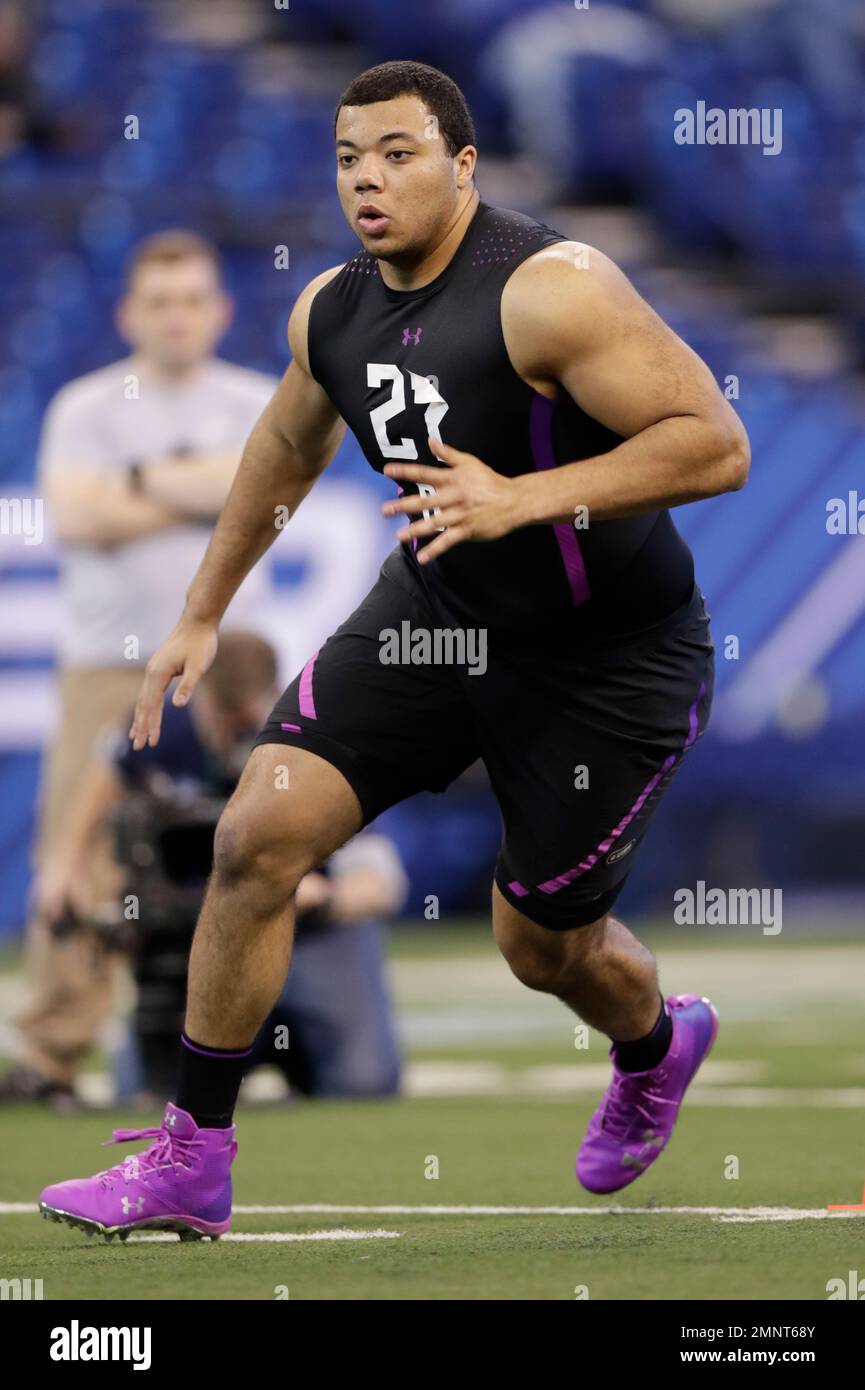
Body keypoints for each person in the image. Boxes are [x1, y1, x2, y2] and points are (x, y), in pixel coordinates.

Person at [38, 60, 750, 1240]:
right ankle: (189, 1158)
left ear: (463, 166)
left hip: (606, 661)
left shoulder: (550, 289)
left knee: (542, 946)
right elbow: (283, 442)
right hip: (433, 615)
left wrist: (528, 498)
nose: (367, 181)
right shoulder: (330, 307)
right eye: (347, 160)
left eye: (399, 155)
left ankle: (658, 1042)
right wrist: (202, 611)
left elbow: (713, 443)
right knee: (255, 833)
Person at [4, 230, 275, 1107]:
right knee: (77, 860)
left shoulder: (256, 399)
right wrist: (196, 487)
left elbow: (258, 495)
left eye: (192, 299)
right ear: (128, 313)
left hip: (223, 664)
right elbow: (79, 519)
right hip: (107, 665)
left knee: (251, 849)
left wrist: (136, 484)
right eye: (159, 301)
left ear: (220, 311)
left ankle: (246, 1045)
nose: (176, 316)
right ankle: (51, 1056)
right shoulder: (85, 405)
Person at [33, 630, 404, 1106]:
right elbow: (105, 780)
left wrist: (325, 898)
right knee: (147, 1085)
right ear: (198, 695)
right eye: (223, 721)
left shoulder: (316, 737)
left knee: (365, 1083)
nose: (233, 736)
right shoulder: (166, 726)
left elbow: (382, 881)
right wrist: (64, 866)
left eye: (245, 721)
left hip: (308, 936)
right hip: (206, 939)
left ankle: (300, 1051)